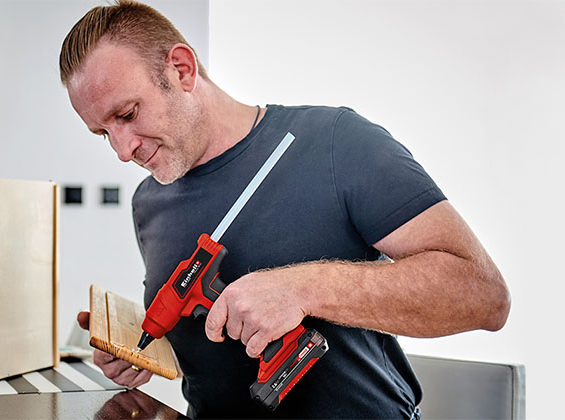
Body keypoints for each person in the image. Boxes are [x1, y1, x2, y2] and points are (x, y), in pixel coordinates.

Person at [60, 1, 511, 418]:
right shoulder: (149, 201)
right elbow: (214, 352)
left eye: (127, 114)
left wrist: (304, 287)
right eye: (103, 132)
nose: (122, 150)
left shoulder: (336, 141)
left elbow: (483, 296)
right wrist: (147, 353)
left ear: (181, 69)